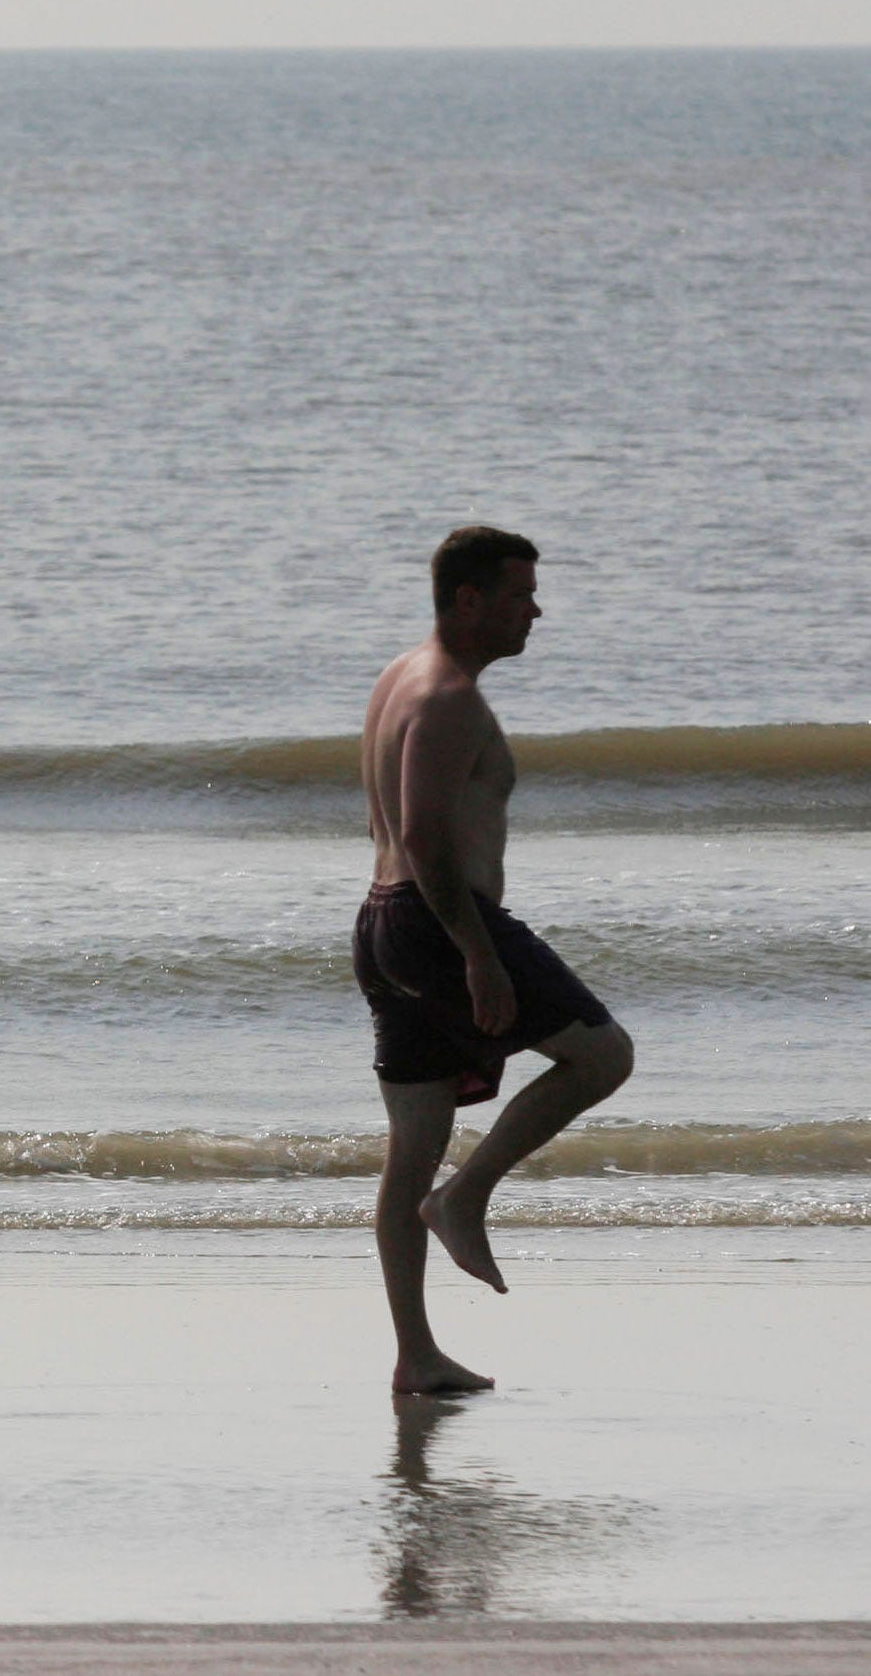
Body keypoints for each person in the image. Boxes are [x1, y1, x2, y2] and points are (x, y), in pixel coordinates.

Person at [356, 526, 635, 1395]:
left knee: (412, 1144)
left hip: (380, 921)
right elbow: (426, 835)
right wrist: (477, 954)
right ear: (468, 601)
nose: (535, 611)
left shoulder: (402, 675)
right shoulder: (447, 700)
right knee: (601, 1055)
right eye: (519, 596)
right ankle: (466, 1197)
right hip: (440, 917)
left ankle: (415, 1356)